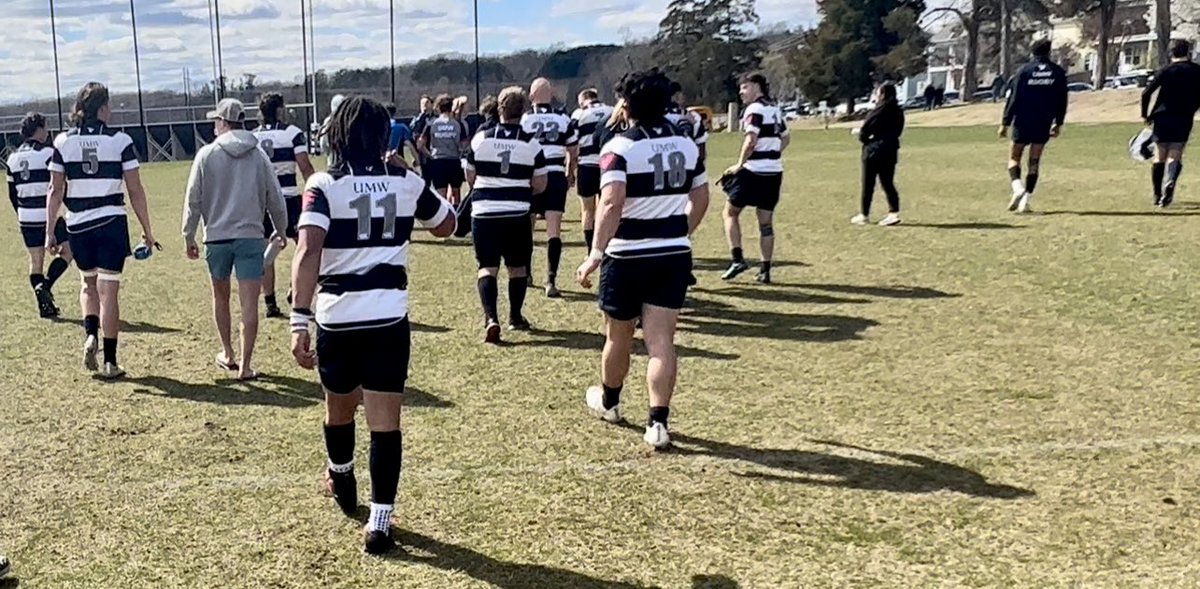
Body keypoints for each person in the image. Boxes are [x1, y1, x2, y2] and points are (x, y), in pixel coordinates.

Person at [289, 96, 455, 555]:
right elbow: (448, 224)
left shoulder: (323, 185)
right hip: (388, 318)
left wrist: (298, 320)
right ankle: (380, 521)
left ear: (338, 136)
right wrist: (409, 172)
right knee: (386, 425)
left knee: (338, 410)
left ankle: (341, 475)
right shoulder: (405, 182)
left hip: (338, 318)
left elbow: (307, 251)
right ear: (384, 136)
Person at [576, 69, 710, 449]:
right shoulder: (685, 143)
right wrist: (679, 232)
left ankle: (610, 402)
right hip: (672, 254)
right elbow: (701, 198)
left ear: (626, 104)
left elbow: (611, 203)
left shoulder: (619, 147)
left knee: (618, 337)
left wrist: (595, 253)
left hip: (627, 255)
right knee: (661, 340)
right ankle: (658, 423)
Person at [46, 82, 158, 379]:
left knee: (88, 284)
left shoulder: (62, 142)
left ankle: (90, 334)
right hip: (111, 222)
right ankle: (110, 362)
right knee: (109, 291)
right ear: (103, 109)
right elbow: (135, 189)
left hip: (78, 224)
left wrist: (49, 232)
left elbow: (55, 190)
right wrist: (147, 230)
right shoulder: (120, 141)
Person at [183, 98, 288, 381]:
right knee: (249, 303)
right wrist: (281, 229)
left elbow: (193, 199)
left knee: (220, 296)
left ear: (222, 122)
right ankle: (246, 364)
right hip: (251, 237)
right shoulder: (258, 155)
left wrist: (188, 234)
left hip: (216, 238)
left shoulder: (206, 155)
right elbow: (275, 198)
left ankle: (227, 352)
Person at [464, 86, 548, 343]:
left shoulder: (481, 138)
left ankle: (491, 318)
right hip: (517, 214)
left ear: (499, 109)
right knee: (518, 268)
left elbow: (470, 175)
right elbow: (541, 184)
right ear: (523, 111)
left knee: (487, 267)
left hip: (484, 213)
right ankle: (515, 316)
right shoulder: (531, 143)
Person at [720, 73, 790, 284]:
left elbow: (750, 141)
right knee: (765, 223)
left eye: (745, 87)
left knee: (730, 213)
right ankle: (765, 270)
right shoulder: (774, 109)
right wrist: (772, 155)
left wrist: (739, 164)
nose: (741, 92)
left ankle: (737, 259)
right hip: (773, 172)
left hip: (752, 172)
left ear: (756, 86)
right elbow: (786, 138)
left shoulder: (754, 110)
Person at [253, 92, 315, 318]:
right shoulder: (292, 133)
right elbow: (305, 167)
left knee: (266, 250)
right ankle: (294, 288)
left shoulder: (252, 137)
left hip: (262, 201)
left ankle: (270, 303)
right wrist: (316, 191)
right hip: (289, 198)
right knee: (304, 246)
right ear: (280, 109)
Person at [6, 112, 74, 318]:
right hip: (47, 215)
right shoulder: (48, 154)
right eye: (45, 127)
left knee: (35, 262)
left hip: (26, 217)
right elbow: (59, 188)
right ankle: (45, 285)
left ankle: (44, 307)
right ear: (38, 130)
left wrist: (22, 214)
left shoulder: (12, 158)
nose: (47, 131)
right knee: (68, 251)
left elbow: (12, 195)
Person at [521, 78, 579, 298]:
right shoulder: (563, 118)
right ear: (551, 95)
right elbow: (573, 150)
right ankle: (550, 280)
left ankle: (526, 273)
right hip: (555, 174)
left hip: (532, 175)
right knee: (554, 229)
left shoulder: (526, 119)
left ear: (531, 96)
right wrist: (570, 172)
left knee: (528, 226)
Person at [1000, 39, 1068, 214]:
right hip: (1043, 121)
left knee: (1014, 156)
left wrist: (1005, 122)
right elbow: (1062, 100)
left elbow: (1013, 98)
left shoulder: (1024, 71)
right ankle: (1026, 201)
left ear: (1032, 52)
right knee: (1034, 161)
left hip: (1023, 120)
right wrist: (1058, 122)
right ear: (1049, 52)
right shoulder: (1058, 72)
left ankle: (1017, 188)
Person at [1141, 39, 1200, 208]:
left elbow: (1146, 93)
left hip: (1163, 115)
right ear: (1188, 52)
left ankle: (1157, 194)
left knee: (1160, 154)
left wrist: (1145, 114)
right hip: (1184, 116)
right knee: (1176, 152)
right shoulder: (1197, 71)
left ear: (1171, 52)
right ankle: (1171, 181)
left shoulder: (1166, 70)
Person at [852, 84, 905, 226]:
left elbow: (865, 130)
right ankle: (893, 213)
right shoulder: (898, 111)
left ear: (882, 94)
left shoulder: (879, 110)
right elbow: (898, 131)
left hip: (874, 151)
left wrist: (864, 138)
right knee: (888, 182)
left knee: (868, 183)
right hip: (891, 149)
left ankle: (864, 214)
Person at [570, 88, 615, 252]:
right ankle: (606, 247)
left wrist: (570, 169)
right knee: (608, 208)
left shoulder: (579, 114)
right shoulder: (612, 111)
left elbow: (573, 144)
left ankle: (591, 250)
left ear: (582, 100)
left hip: (587, 165)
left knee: (588, 210)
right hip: (608, 165)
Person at [418, 94, 469, 205]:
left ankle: (444, 215)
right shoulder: (458, 124)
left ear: (438, 108)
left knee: (441, 195)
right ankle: (456, 214)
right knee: (456, 194)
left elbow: (420, 144)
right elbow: (464, 145)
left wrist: (430, 155)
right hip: (454, 161)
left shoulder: (432, 124)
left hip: (438, 162)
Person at [385, 103, 417, 167]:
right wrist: (416, 159)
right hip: (398, 160)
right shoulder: (401, 127)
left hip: (382, 161)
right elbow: (409, 144)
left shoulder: (379, 127)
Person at [319, 94, 346, 167]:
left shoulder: (328, 121)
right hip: (349, 163)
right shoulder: (349, 120)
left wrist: (329, 153)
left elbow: (323, 143)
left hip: (332, 162)